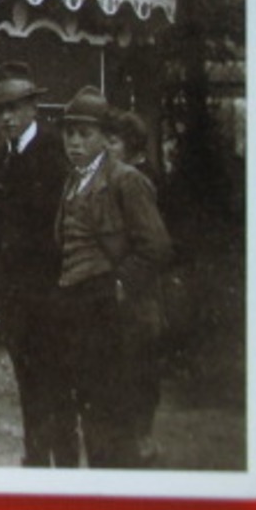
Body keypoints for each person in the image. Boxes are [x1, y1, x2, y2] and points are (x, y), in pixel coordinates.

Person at [55, 86, 173, 468]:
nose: (74, 142)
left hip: (114, 317)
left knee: (113, 417)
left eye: (84, 134)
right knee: (91, 411)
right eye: (69, 133)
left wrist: (118, 286)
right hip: (79, 312)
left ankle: (120, 499)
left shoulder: (125, 180)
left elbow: (156, 246)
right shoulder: (74, 180)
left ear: (105, 138)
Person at [0, 61, 78, 467]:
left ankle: (66, 469)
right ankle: (36, 460)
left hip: (50, 297)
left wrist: (57, 293)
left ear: (32, 108)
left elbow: (64, 229)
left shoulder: (55, 153)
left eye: (14, 108)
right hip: (15, 299)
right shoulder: (1, 159)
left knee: (57, 385)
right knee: (28, 382)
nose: (6, 118)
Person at [103, 105, 167, 463]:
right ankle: (128, 438)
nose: (105, 148)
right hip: (122, 290)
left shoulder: (139, 181)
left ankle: (142, 438)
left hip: (140, 293)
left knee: (141, 366)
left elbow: (157, 245)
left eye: (112, 142)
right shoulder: (116, 177)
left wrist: (124, 279)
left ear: (132, 146)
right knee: (124, 366)